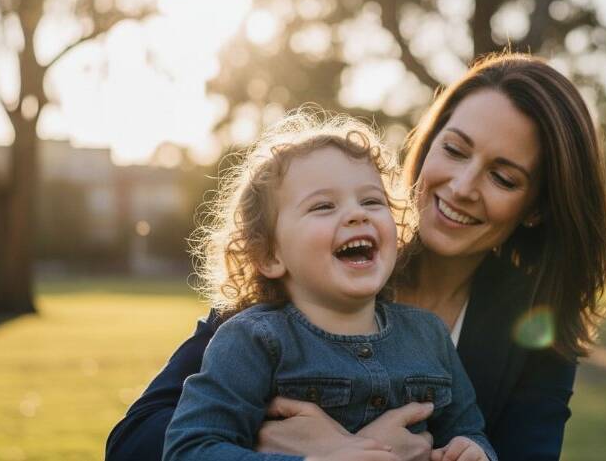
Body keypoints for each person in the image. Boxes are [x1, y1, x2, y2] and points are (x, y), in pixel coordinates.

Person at [106, 52, 606, 461]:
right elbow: (136, 444)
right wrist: (304, 447)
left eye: (503, 177)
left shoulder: (536, 326)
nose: (461, 187)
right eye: (455, 150)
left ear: (536, 209)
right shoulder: (311, 268)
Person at [162, 114, 496, 461]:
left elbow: (468, 430)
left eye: (371, 201)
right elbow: (190, 449)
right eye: (323, 206)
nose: (357, 215)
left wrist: (472, 451)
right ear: (269, 254)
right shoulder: (253, 341)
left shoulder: (429, 335)